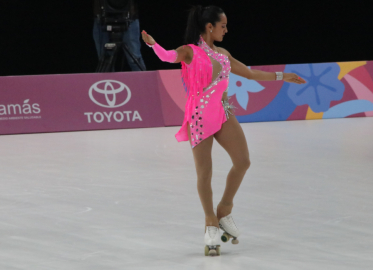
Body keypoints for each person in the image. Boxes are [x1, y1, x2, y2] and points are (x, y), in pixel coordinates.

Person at [142, 5, 306, 256]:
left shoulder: (222, 54)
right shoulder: (190, 52)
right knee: (205, 172)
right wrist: (154, 44)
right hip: (199, 116)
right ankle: (210, 222)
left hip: (224, 112)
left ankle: (224, 209)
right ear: (210, 27)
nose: (226, 30)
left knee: (243, 162)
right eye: (223, 26)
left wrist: (283, 76)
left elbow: (250, 73)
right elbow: (167, 56)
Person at [93, 0, 146, 71]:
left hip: (129, 17)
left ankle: (144, 81)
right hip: (102, 18)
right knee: (106, 60)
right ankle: (109, 81)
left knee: (134, 59)